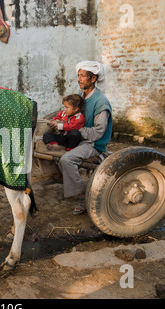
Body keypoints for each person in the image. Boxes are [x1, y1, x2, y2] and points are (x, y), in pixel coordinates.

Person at [57, 61, 113, 215]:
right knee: (47, 143)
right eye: (78, 75)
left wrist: (75, 129)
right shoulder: (81, 97)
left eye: (83, 76)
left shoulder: (100, 102)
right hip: (79, 138)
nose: (79, 79)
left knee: (67, 159)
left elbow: (98, 133)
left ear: (93, 78)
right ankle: (60, 176)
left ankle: (80, 196)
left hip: (93, 143)